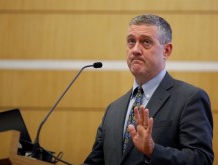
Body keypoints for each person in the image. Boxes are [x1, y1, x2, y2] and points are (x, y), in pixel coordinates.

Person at [83, 14, 214, 165]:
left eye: (146, 42)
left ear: (166, 50)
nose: (135, 50)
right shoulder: (113, 109)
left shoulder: (190, 99)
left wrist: (153, 151)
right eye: (131, 41)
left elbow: (201, 159)